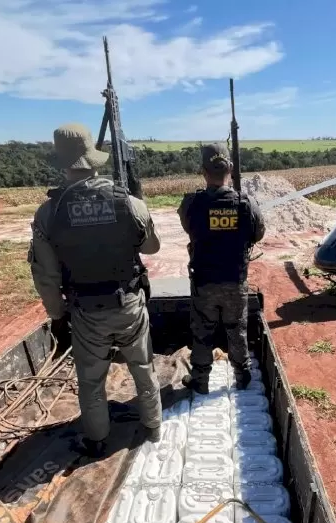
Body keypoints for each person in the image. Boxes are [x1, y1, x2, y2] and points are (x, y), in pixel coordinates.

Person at [29, 122, 162, 457]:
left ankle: (98, 439)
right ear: (93, 159)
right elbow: (151, 248)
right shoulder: (129, 203)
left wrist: (57, 315)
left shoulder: (49, 212)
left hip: (86, 311)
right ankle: (154, 426)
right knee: (143, 369)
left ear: (61, 162)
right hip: (129, 303)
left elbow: (46, 275)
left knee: (91, 382)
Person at [177, 142, 266, 394]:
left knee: (203, 333)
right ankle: (242, 376)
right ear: (231, 169)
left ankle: (201, 381)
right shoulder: (245, 203)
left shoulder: (192, 204)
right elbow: (258, 233)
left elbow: (188, 227)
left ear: (203, 171)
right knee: (236, 330)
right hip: (235, 281)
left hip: (204, 282)